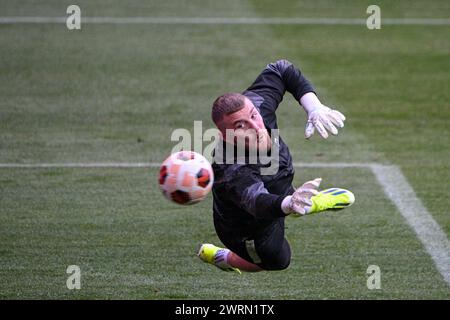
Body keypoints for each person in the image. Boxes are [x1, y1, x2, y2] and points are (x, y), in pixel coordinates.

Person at [198, 59, 355, 273]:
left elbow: (280, 69)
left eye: (253, 115)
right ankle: (221, 256)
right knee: (277, 261)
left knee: (282, 186)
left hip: (276, 185)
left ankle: (304, 202)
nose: (256, 126)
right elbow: (258, 202)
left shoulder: (257, 104)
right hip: (250, 227)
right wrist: (288, 203)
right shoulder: (230, 168)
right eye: (240, 126)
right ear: (225, 135)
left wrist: (314, 107)